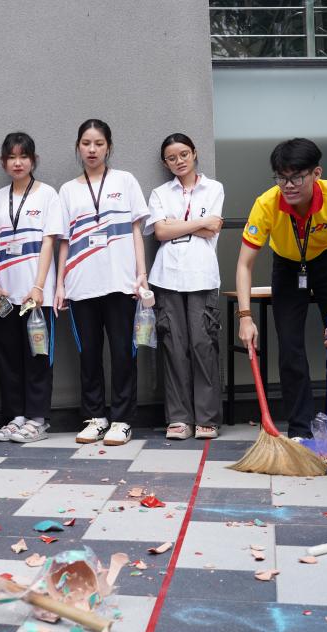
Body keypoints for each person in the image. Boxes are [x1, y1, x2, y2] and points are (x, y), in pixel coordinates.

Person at [237, 138, 327, 445]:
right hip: (289, 268)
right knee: (291, 347)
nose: (288, 185)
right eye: (281, 177)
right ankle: (300, 428)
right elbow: (243, 265)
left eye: (296, 177)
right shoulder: (266, 203)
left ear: (316, 173)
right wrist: (245, 317)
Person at [55, 119, 149, 447]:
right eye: (86, 143)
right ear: (78, 147)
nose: (92, 150)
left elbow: (137, 230)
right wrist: (60, 285)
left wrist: (141, 274)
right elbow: (63, 241)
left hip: (121, 283)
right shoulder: (68, 190)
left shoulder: (125, 181)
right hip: (81, 285)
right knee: (89, 355)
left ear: (109, 145)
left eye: (98, 143)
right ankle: (96, 418)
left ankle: (122, 420)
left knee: (124, 352)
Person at [146, 134, 225, 440]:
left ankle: (207, 417)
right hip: (167, 277)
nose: (178, 161)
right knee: (174, 347)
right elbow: (161, 233)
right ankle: (179, 417)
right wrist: (197, 224)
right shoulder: (160, 192)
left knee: (203, 345)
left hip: (202, 276)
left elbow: (215, 227)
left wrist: (176, 223)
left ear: (194, 153)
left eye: (183, 154)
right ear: (165, 163)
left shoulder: (213, 188)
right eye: (171, 157)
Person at [0, 133, 62, 443]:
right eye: (12, 157)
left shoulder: (47, 195)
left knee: (38, 355)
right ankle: (16, 416)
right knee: (7, 356)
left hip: (35, 294)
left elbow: (49, 242)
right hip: (4, 294)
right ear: (3, 162)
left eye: (24, 156)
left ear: (33, 160)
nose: (18, 162)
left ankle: (38, 419)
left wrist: (39, 285)